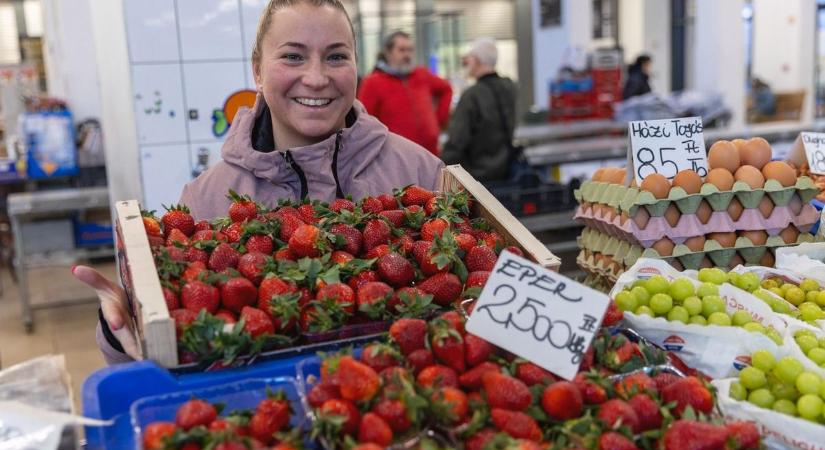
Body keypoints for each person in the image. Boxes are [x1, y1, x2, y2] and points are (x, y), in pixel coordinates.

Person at [73, 0, 445, 365]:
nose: (316, 78)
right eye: (293, 57)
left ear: (355, 66)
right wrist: (123, 327)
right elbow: (162, 359)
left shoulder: (421, 173)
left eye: (336, 57)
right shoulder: (205, 199)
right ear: (258, 70)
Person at [357, 31, 453, 155]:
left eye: (410, 50)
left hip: (431, 154)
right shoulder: (372, 82)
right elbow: (364, 120)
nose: (407, 55)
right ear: (388, 53)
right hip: (396, 158)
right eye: (402, 50)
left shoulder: (421, 74)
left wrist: (438, 120)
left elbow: (446, 89)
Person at [441, 37, 517, 182]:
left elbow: (457, 140)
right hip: (506, 169)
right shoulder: (510, 87)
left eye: (469, 58)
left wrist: (442, 169)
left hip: (477, 176)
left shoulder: (472, 95)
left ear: (476, 60)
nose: (467, 63)